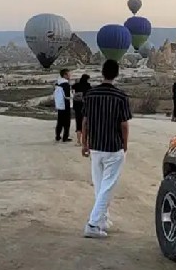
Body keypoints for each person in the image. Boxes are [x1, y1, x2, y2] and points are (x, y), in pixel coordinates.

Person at [81, 59, 132, 238]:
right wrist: (125, 144)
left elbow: (85, 121)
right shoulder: (120, 97)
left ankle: (102, 219)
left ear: (102, 72)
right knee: (107, 186)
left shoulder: (90, 95)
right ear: (116, 74)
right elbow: (124, 124)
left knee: (99, 185)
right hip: (113, 147)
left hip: (95, 146)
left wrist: (84, 142)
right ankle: (93, 224)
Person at [52, 69, 73, 142]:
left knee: (60, 121)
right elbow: (67, 96)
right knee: (67, 122)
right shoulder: (66, 84)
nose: (70, 75)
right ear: (65, 75)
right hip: (65, 105)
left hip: (59, 105)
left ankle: (57, 136)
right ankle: (65, 137)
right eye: (69, 74)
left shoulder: (58, 83)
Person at [72, 73, 92, 145]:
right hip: (86, 107)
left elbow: (72, 87)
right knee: (86, 124)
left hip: (77, 107)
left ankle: (78, 141)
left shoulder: (77, 85)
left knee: (78, 123)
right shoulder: (88, 86)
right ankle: (85, 141)